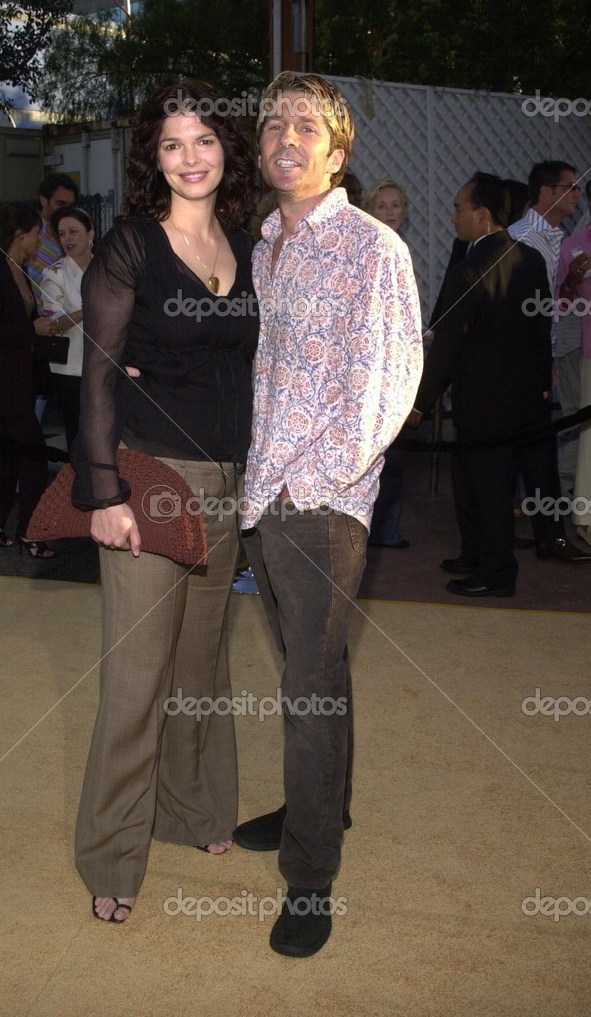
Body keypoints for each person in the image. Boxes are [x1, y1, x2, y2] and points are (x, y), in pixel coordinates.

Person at [234, 72, 422, 957]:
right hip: (264, 492)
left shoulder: (370, 246)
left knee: (307, 684)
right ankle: (324, 804)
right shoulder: (267, 241)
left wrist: (323, 479)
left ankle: (310, 877)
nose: (284, 134)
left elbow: (390, 379)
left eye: (305, 124)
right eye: (274, 121)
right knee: (311, 671)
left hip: (321, 504)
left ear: (336, 153)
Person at [70, 79, 258, 924]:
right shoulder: (130, 246)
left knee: (200, 665)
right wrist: (102, 490)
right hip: (148, 480)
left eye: (205, 141)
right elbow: (100, 374)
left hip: (229, 480)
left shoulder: (249, 245)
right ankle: (111, 849)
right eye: (173, 144)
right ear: (155, 155)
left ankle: (192, 810)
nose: (190, 159)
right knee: (137, 678)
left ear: (227, 150)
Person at [408, 173, 556, 596]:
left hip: (481, 401)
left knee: (485, 490)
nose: (453, 216)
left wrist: (420, 404)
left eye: (459, 208)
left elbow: (447, 346)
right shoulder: (529, 260)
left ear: (482, 214)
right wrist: (542, 383)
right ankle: (475, 555)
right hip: (521, 398)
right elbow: (540, 326)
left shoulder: (469, 270)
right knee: (479, 484)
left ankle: (495, 575)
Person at [507, 160, 590, 562]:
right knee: (530, 448)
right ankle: (546, 537)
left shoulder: (553, 236)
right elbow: (527, 314)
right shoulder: (524, 238)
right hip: (523, 360)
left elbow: (551, 307)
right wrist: (543, 359)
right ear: (546, 192)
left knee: (528, 448)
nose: (577, 194)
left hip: (539, 356)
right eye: (570, 187)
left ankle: (536, 534)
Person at [0, 204, 58, 557]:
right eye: (37, 232)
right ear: (18, 235)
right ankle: (29, 531)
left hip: (22, 380)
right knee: (34, 457)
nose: (41, 237)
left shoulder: (21, 271)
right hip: (4, 384)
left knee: (10, 455)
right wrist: (30, 329)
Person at [363, 177, 413, 548]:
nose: (391, 211)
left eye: (396, 205)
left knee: (394, 463)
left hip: (395, 373)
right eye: (383, 205)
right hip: (368, 375)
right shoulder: (365, 250)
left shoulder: (402, 250)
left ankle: (387, 532)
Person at [40, 206, 94, 450]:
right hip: (71, 367)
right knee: (77, 430)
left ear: (91, 232)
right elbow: (53, 323)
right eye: (62, 234)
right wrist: (87, 310)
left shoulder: (109, 268)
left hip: (107, 361)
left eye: (74, 231)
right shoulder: (54, 273)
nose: (68, 239)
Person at [557, 177, 591, 545]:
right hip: (589, 350)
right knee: (588, 435)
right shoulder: (575, 246)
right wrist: (570, 281)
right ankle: (586, 518)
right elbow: (561, 303)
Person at [25, 173, 79, 303]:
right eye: (60, 204)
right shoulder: (29, 232)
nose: (66, 210)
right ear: (44, 201)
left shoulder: (75, 235)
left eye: (71, 206)